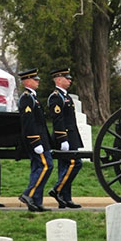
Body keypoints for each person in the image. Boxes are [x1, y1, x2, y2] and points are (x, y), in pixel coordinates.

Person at [17, 68, 53, 212]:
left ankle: (36, 202)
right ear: (27, 81)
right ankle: (28, 194)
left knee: (38, 168)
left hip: (41, 139)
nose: (38, 81)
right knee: (46, 166)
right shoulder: (27, 98)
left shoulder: (33, 97)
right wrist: (35, 142)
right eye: (34, 79)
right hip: (36, 140)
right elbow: (28, 123)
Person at [47, 67, 83, 209]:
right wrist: (62, 139)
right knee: (75, 164)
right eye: (67, 78)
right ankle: (57, 190)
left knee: (66, 167)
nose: (70, 80)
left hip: (71, 136)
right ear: (59, 80)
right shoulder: (56, 97)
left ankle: (65, 198)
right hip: (64, 137)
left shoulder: (65, 96)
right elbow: (58, 120)